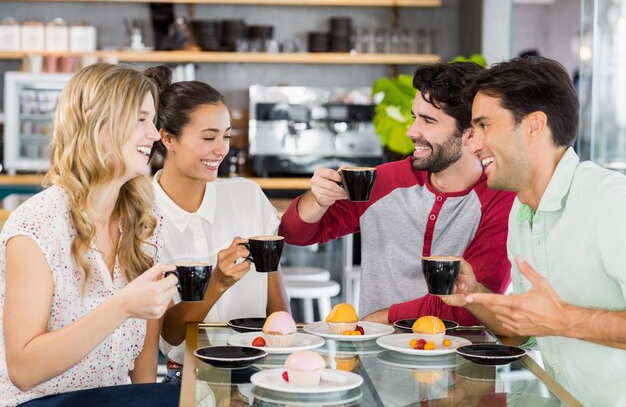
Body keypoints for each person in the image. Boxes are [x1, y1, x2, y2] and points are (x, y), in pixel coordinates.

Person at [441, 56, 626, 406]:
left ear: (534, 125)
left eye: (484, 126)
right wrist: (473, 294)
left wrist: (565, 320)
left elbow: (554, 320)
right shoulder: (522, 211)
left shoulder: (611, 201)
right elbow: (523, 333)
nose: (472, 143)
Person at [279, 62, 516, 325]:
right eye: (415, 117)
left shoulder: (501, 199)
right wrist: (318, 200)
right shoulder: (385, 181)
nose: (411, 131)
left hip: (458, 360)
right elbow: (295, 234)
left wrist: (378, 321)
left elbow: (475, 304)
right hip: (376, 359)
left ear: (470, 134)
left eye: (428, 121)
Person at [0, 63, 180, 407]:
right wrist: (121, 306)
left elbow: (146, 345)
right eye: (141, 118)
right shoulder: (36, 226)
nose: (155, 134)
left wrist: (144, 398)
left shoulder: (143, 217)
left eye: (152, 119)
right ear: (96, 121)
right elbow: (22, 370)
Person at [143, 66, 289, 384]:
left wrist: (285, 356)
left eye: (226, 136)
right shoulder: (143, 216)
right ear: (168, 138)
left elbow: (277, 301)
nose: (221, 149)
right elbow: (169, 331)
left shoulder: (247, 195)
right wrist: (216, 283)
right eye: (209, 137)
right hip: (188, 377)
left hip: (262, 367)